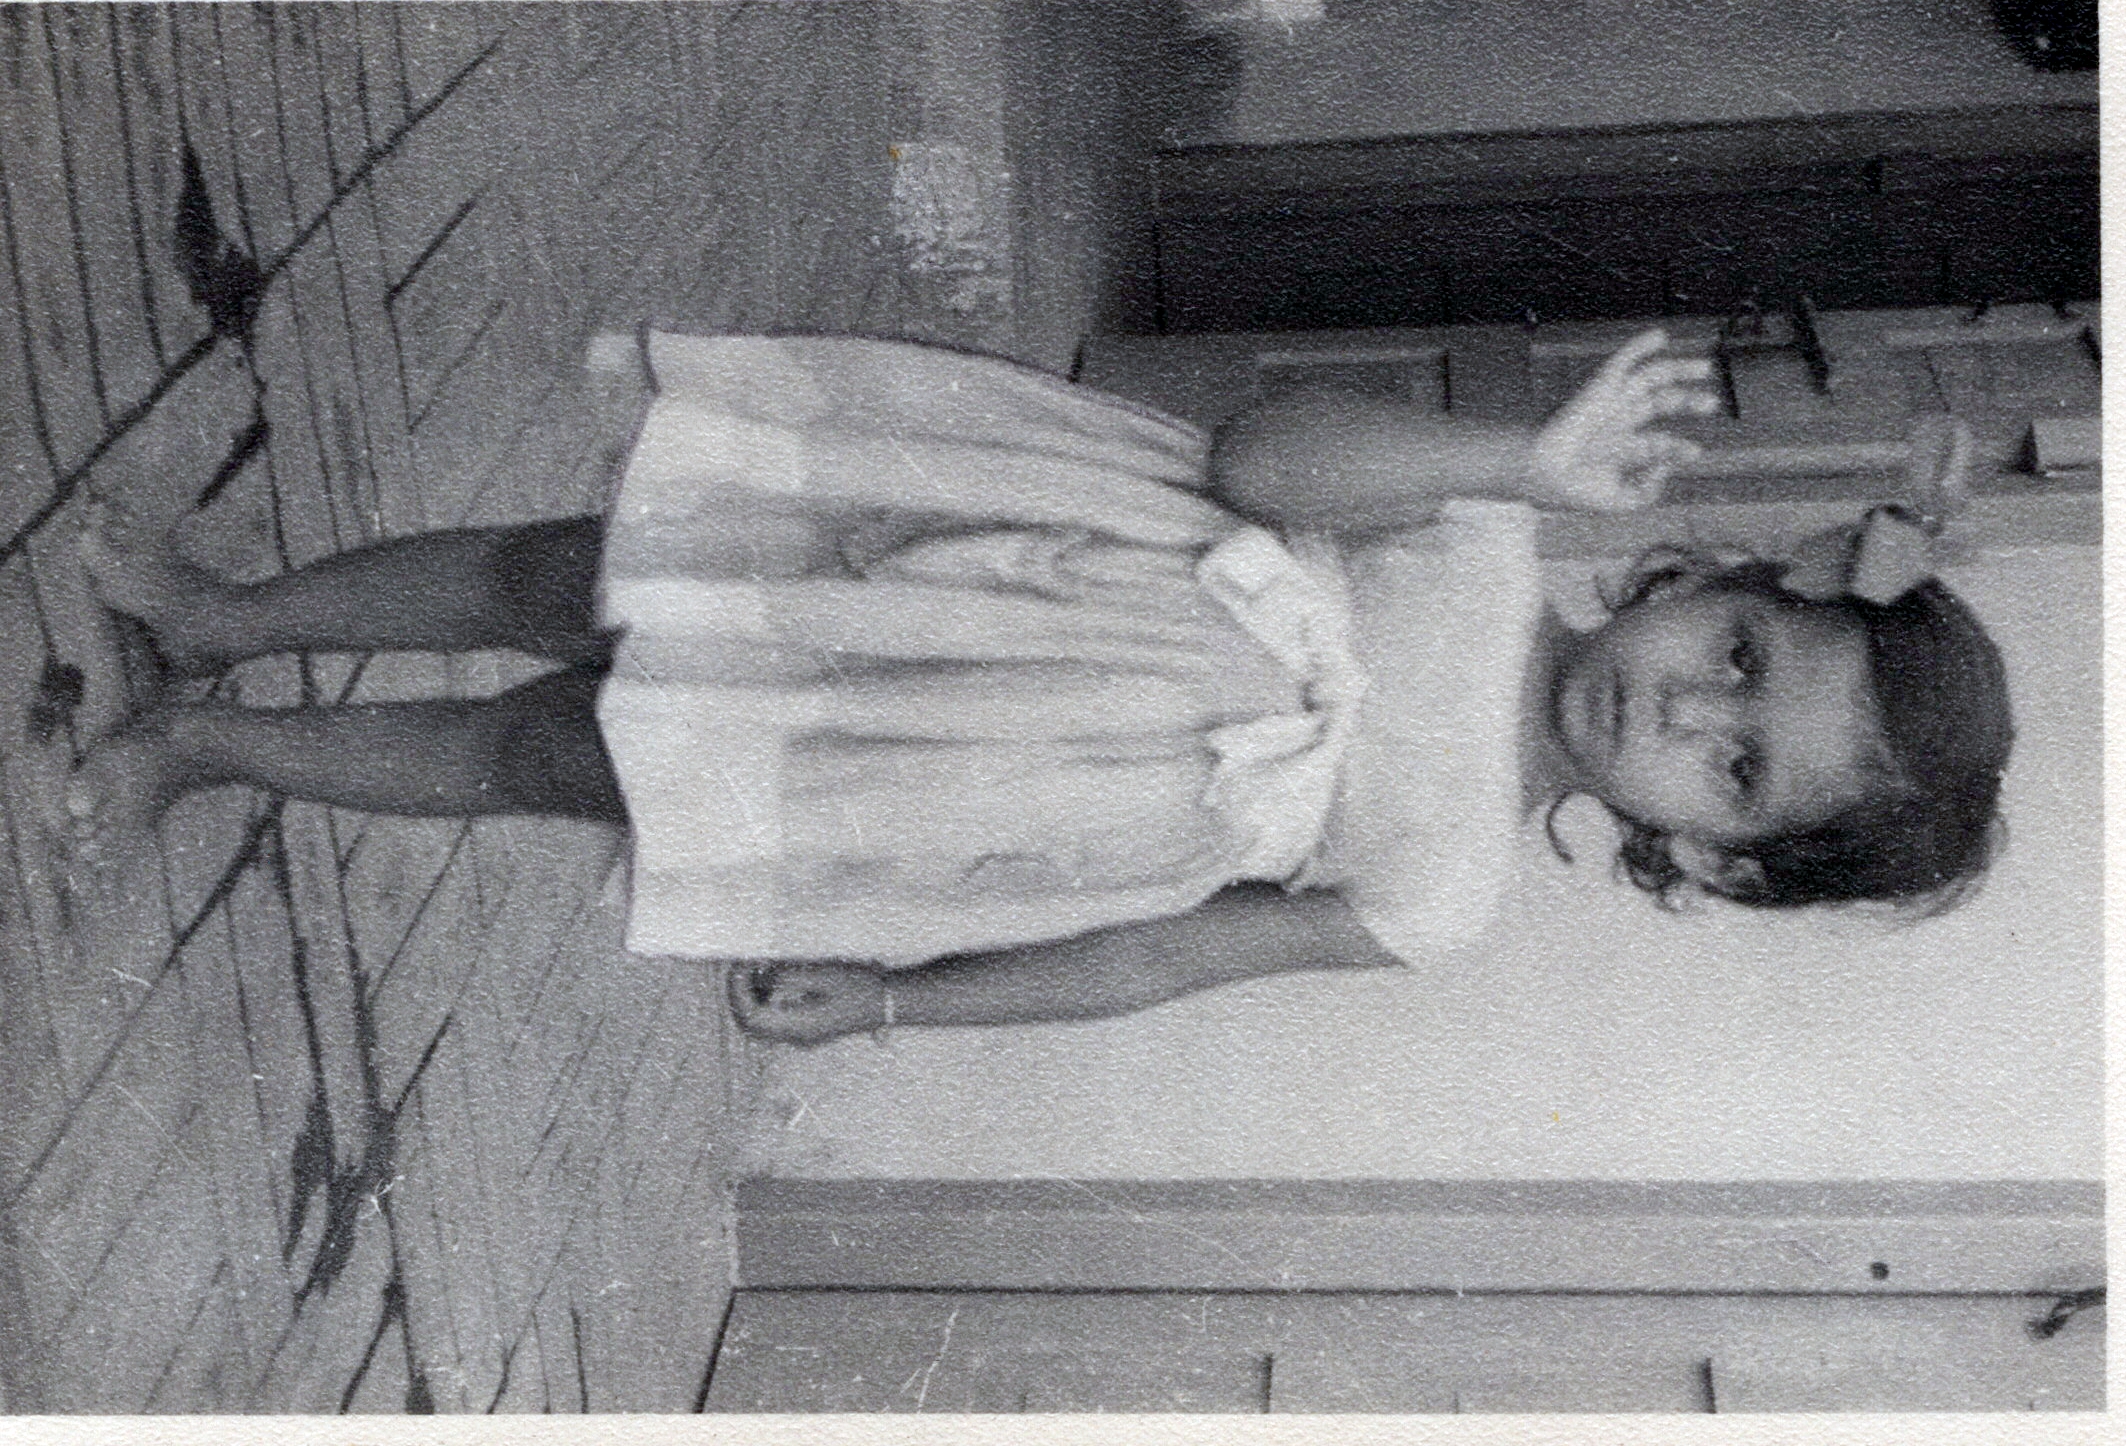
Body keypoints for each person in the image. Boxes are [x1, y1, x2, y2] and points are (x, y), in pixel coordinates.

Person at [64, 328, 2012, 1043]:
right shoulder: (1485, 535)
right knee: (557, 577)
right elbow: (1261, 464)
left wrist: (905, 1002)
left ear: (1716, 858)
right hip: (971, 559)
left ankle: (206, 742)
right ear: (1713, 583)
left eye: (1737, 768)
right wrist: (1507, 456)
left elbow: (1153, 965)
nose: (1684, 714)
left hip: (936, 776)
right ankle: (223, 609)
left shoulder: (1438, 902)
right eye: (1737, 657)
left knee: (549, 753)